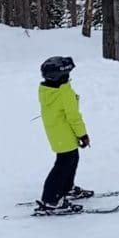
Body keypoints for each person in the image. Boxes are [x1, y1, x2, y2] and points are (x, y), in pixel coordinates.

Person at [36, 56, 93, 214]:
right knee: (63, 165)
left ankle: (67, 188)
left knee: (71, 160)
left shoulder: (46, 90)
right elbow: (74, 117)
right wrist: (83, 134)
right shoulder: (64, 93)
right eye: (67, 74)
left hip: (56, 132)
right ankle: (51, 199)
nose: (69, 77)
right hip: (65, 133)